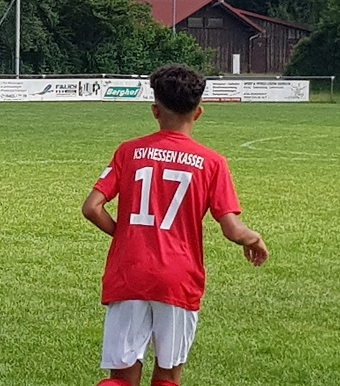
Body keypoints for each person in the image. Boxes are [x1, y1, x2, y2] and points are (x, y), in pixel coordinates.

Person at [81, 64, 270, 386]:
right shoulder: (212, 162)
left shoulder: (129, 152)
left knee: (121, 377)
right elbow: (231, 229)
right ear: (198, 113)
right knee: (168, 375)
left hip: (130, 271)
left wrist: (126, 234)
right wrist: (254, 239)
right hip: (178, 277)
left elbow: (91, 208)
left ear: (155, 110)